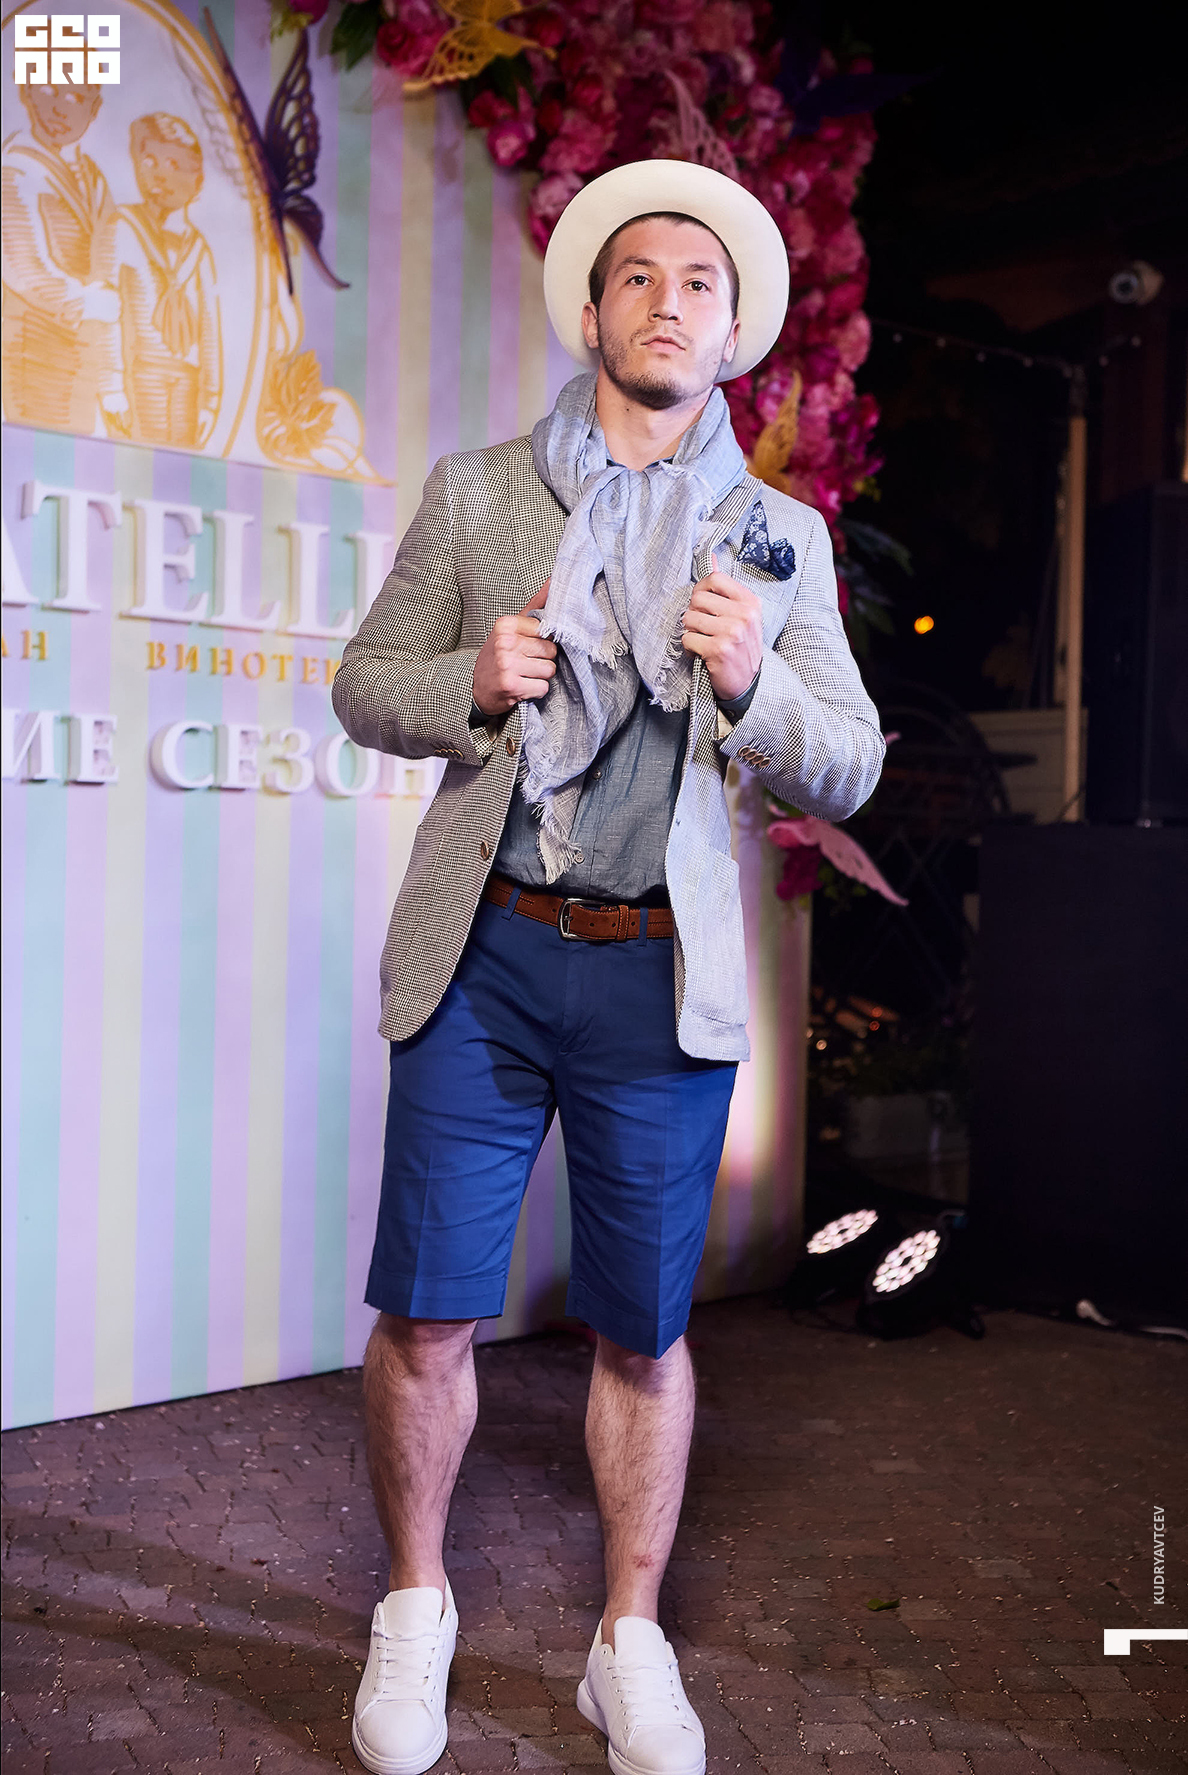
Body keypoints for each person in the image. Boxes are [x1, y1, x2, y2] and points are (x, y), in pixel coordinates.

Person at [332, 158, 885, 1775]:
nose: (666, 303)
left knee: (643, 1330)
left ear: (733, 331)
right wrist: (469, 676)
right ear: (591, 311)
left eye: (698, 284)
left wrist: (754, 683)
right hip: (485, 956)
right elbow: (364, 684)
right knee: (428, 1311)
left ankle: (623, 1640)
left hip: (660, 977)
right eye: (637, 276)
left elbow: (849, 761)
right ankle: (414, 1604)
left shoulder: (778, 536)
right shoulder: (477, 495)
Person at [1, 82, 124, 435]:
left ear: (94, 109)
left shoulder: (93, 178)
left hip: (86, 347)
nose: (59, 108)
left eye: (75, 98)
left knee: (80, 440)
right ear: (25, 92)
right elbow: (21, 266)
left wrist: (112, 375)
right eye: (47, 90)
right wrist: (85, 301)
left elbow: (107, 262)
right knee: (43, 441)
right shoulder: (15, 167)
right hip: (34, 344)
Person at [110, 114, 221, 449]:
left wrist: (211, 399)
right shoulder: (124, 227)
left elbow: (210, 327)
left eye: (174, 164)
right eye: (148, 161)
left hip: (188, 379)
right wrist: (112, 386)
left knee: (180, 459)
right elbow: (109, 312)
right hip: (141, 373)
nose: (159, 174)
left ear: (197, 180)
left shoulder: (198, 249)